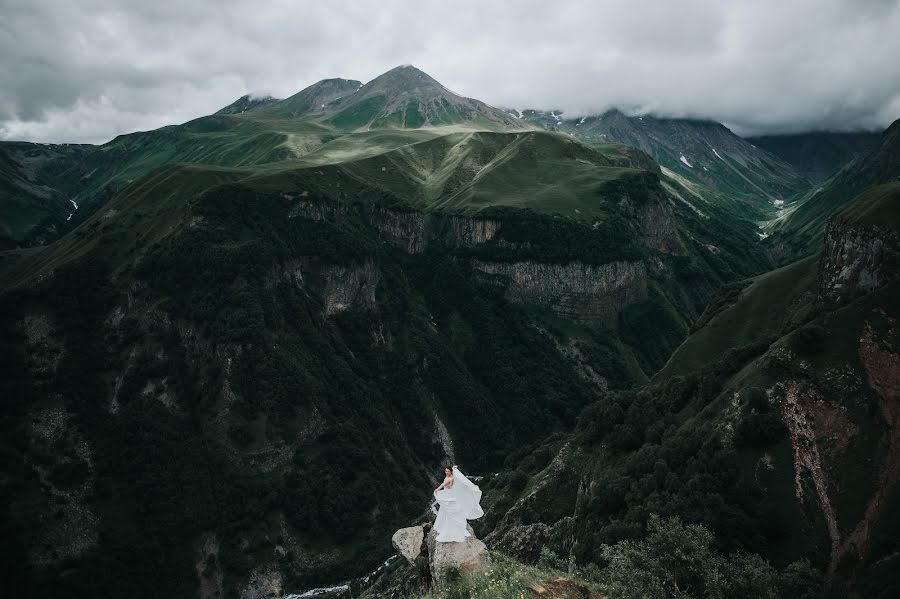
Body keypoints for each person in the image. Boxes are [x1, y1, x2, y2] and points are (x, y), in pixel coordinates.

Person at [433, 464, 484, 542]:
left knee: (448, 512)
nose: (446, 472)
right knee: (448, 512)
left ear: (450, 472)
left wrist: (436, 489)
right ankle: (451, 527)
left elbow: (443, 485)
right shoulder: (452, 477)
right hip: (449, 494)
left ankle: (450, 529)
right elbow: (457, 475)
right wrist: (454, 468)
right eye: (445, 471)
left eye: (448, 471)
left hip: (448, 495)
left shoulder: (449, 479)